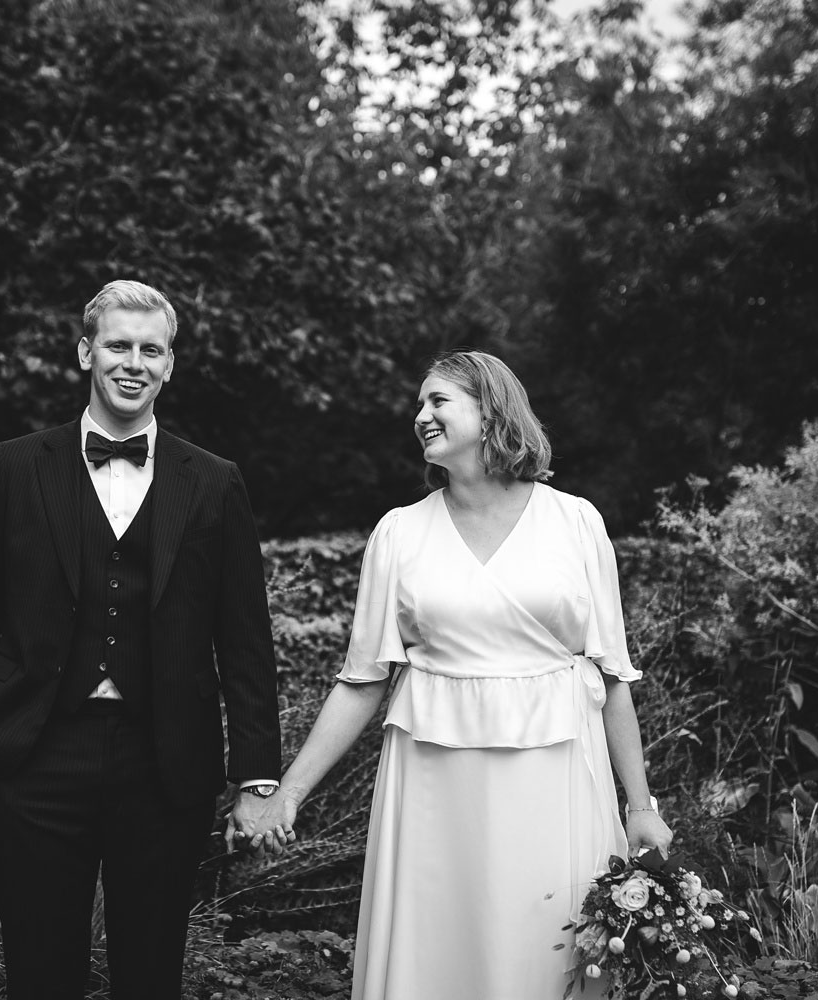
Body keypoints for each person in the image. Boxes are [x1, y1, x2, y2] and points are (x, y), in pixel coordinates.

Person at [253, 350, 674, 1000]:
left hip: (556, 772)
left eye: (437, 401)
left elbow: (613, 676)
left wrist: (640, 806)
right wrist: (288, 793)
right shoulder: (399, 534)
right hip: (433, 784)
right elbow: (362, 679)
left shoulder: (577, 523)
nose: (420, 416)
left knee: (549, 939)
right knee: (438, 952)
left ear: (490, 409)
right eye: (418, 405)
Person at [0, 279, 284, 1000]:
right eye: (118, 345)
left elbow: (246, 639)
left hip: (165, 765)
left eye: (150, 349)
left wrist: (255, 776)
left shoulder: (215, 483)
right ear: (85, 352)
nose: (134, 361)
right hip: (36, 757)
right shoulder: (14, 466)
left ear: (169, 366)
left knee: (152, 973)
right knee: (38, 971)